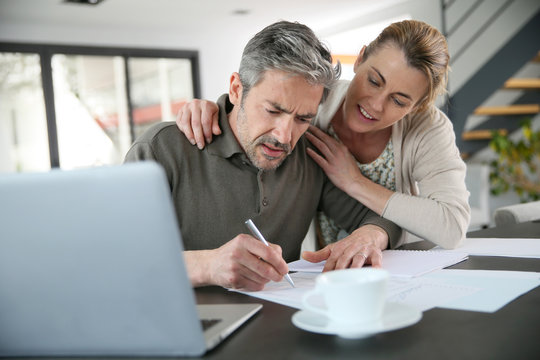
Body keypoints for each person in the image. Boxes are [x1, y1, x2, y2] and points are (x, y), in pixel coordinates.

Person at [124, 21, 401, 292]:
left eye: (303, 118)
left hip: (281, 324)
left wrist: (370, 236)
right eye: (273, 110)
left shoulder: (310, 154)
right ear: (236, 89)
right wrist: (208, 265)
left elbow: (381, 217)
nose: (284, 136)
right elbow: (116, 260)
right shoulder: (161, 150)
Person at [175, 20, 471, 253]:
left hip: (398, 263)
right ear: (361, 58)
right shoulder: (314, 102)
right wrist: (216, 105)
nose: (375, 105)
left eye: (399, 101)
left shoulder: (428, 128)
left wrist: (354, 182)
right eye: (374, 80)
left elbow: (452, 227)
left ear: (417, 106)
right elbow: (262, 101)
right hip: (318, 269)